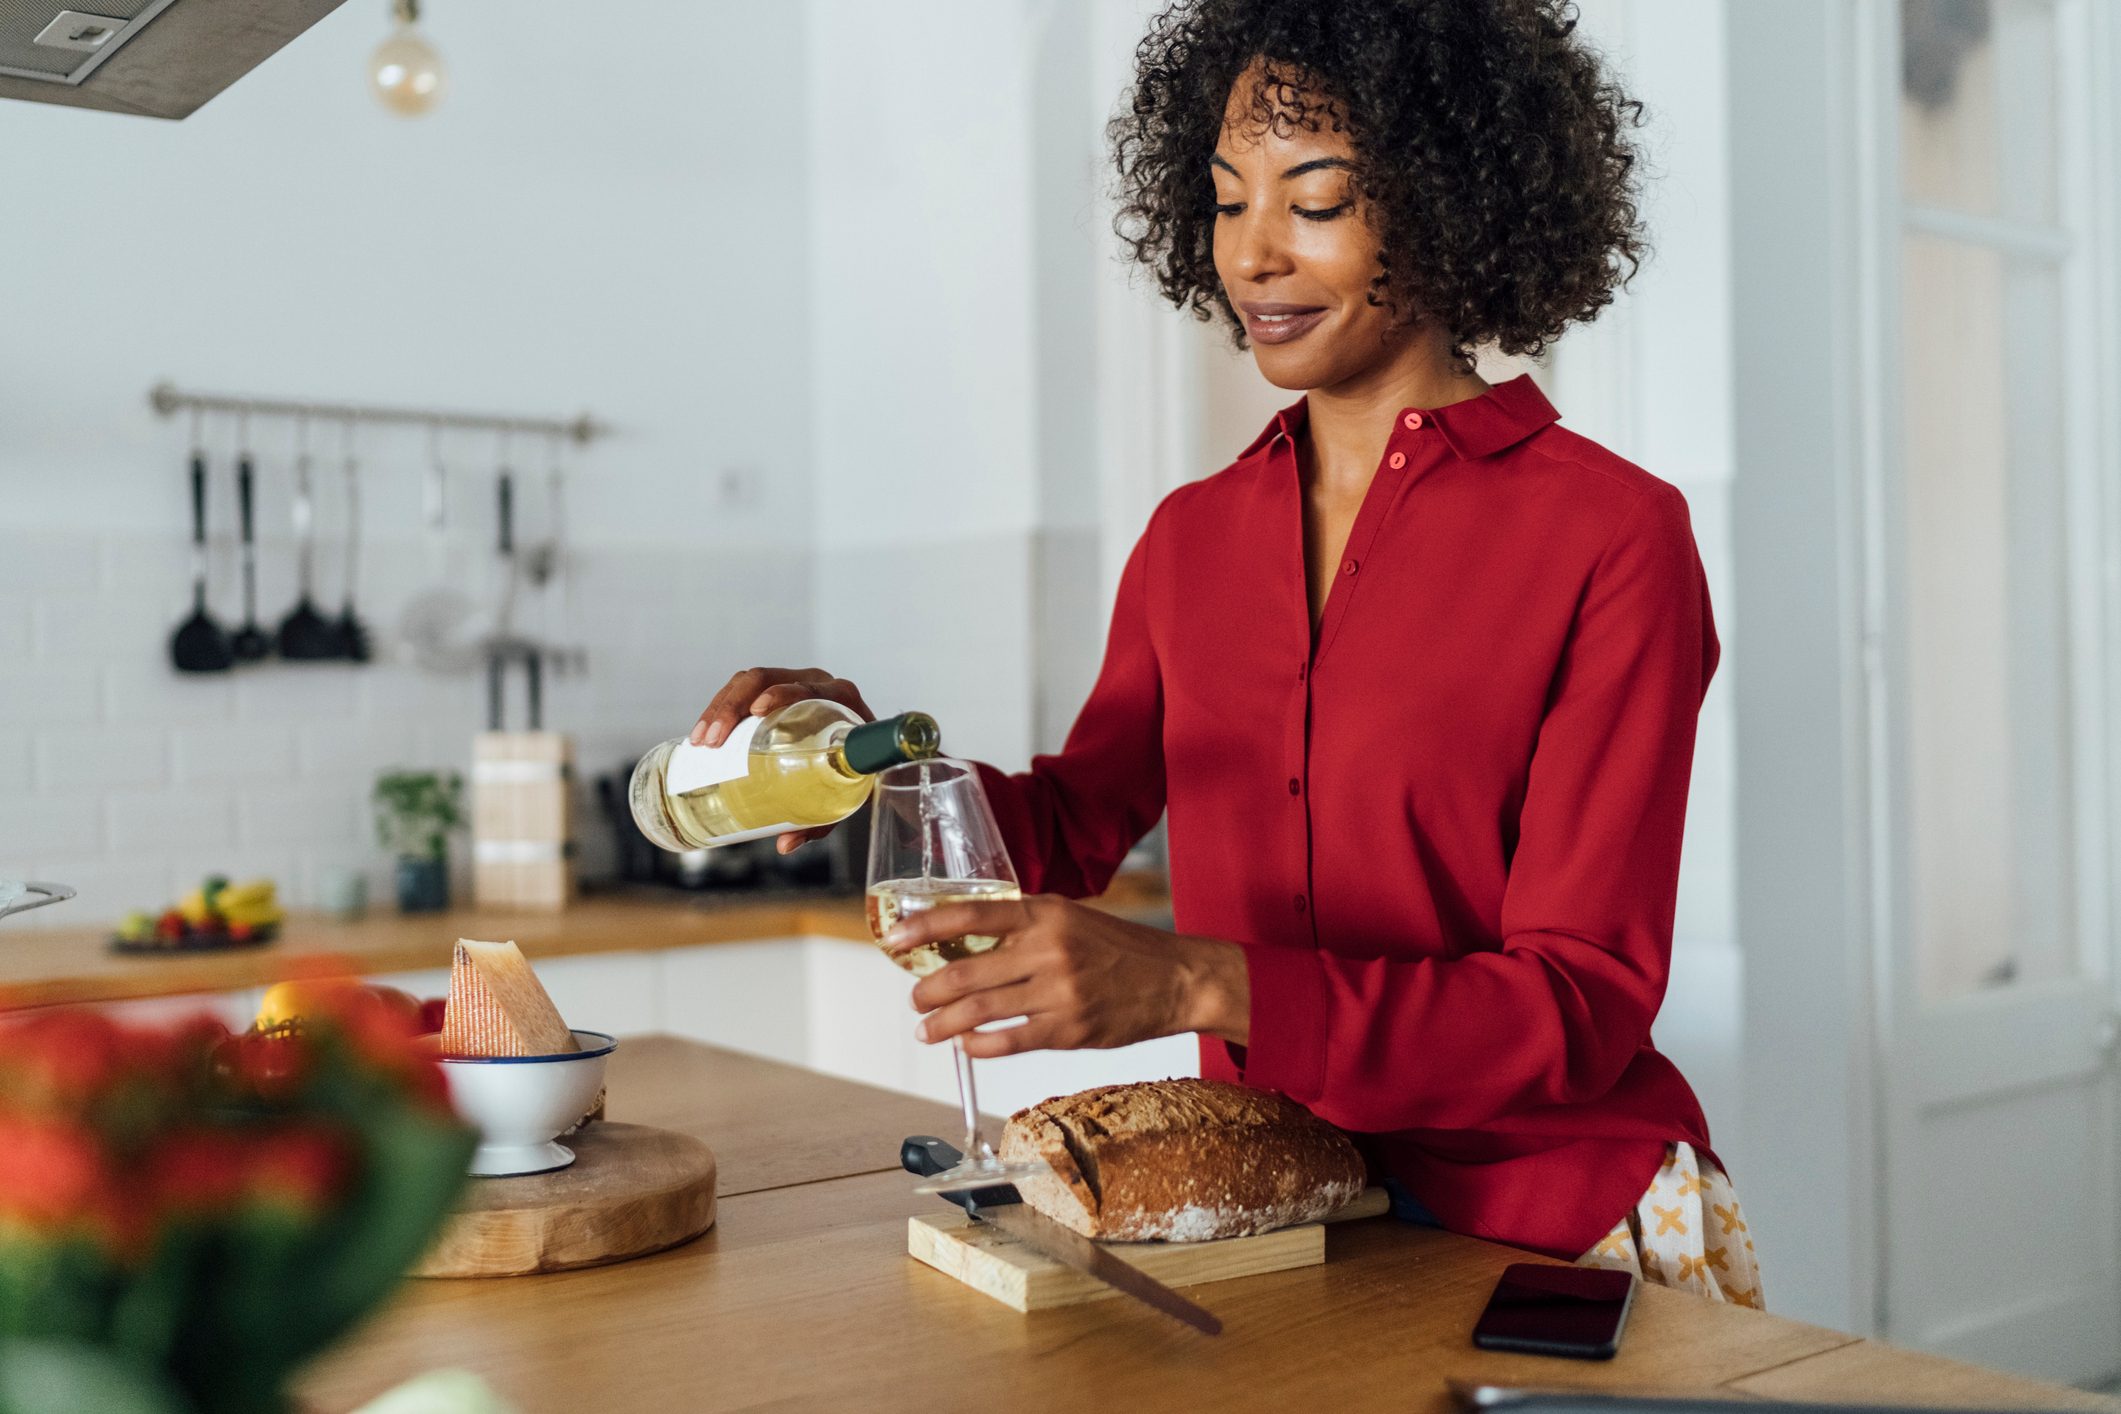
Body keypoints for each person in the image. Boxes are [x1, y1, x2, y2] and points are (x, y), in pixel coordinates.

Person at [690, 0, 1760, 1306]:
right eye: (1222, 199)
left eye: (1313, 199)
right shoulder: (1190, 538)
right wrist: (878, 766)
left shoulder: (1612, 535)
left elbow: (1577, 1002)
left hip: (1555, 1219)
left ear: (1449, 199)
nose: (1252, 254)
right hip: (1272, 1199)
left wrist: (1196, 978)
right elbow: (1073, 823)